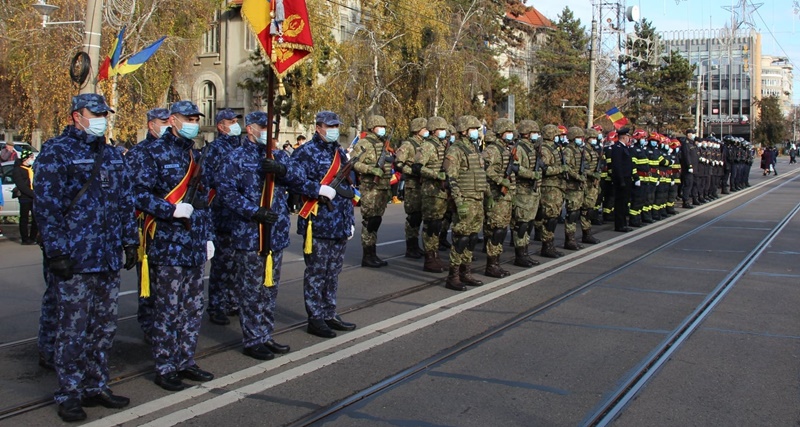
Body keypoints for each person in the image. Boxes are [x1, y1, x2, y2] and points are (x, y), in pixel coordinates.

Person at [33, 93, 138, 422]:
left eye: (105, 114)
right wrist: (56, 252)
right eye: (96, 114)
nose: (102, 119)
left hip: (107, 256)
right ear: (76, 116)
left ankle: (96, 385)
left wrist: (130, 240)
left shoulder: (112, 154)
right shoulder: (57, 151)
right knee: (73, 330)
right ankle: (69, 393)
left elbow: (124, 201)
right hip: (75, 258)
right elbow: (46, 207)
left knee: (103, 328)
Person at [130, 100, 215, 392]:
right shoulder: (152, 152)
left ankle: (186, 360)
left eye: (195, 118)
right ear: (173, 120)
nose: (193, 123)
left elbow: (204, 200)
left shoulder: (195, 154)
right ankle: (165, 366)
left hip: (193, 243)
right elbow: (137, 193)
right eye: (187, 118)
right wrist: (169, 210)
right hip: (167, 244)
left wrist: (208, 236)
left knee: (192, 307)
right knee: (167, 308)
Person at [217, 111, 302, 359]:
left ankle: (265, 334)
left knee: (269, 289)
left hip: (275, 233)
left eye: (270, 126)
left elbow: (299, 178)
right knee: (251, 290)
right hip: (250, 234)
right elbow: (226, 192)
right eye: (262, 126)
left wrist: (281, 170)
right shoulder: (236, 157)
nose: (267, 130)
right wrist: (253, 211)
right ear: (250, 129)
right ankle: (253, 339)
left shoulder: (277, 154)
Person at [291, 111, 357, 338]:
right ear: (318, 127)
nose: (334, 130)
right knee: (316, 272)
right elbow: (293, 180)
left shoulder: (339, 152)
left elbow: (348, 188)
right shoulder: (305, 152)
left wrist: (349, 221)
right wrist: (316, 189)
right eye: (330, 126)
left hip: (339, 223)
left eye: (336, 126)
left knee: (333, 272)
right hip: (318, 222)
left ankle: (329, 313)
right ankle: (315, 317)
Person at [125, 107, 171, 344]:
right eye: (163, 122)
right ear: (151, 125)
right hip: (149, 224)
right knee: (149, 278)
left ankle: (165, 325)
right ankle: (149, 324)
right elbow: (134, 192)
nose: (167, 126)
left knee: (167, 282)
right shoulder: (139, 152)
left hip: (171, 227)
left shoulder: (174, 150)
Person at [205, 108, 244, 326]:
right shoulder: (215, 149)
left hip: (239, 214)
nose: (235, 125)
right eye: (231, 121)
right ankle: (216, 305)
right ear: (221, 126)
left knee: (236, 263)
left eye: (236, 121)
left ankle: (232, 301)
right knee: (222, 264)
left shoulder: (240, 147)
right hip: (222, 213)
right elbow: (209, 181)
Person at [443, 115, 488, 291]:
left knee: (472, 237)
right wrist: (458, 201)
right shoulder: (455, 150)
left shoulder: (475, 149)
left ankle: (465, 272)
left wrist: (488, 195)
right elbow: (451, 179)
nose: (476, 132)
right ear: (464, 131)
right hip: (465, 199)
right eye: (473, 129)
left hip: (477, 199)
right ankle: (453, 276)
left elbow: (481, 175)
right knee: (461, 238)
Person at [352, 115, 394, 268]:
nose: (382, 129)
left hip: (382, 187)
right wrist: (370, 170)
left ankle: (373, 253)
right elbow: (354, 163)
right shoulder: (364, 144)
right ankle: (367, 255)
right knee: (369, 221)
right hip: (370, 187)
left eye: (384, 126)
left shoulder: (383, 144)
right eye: (380, 126)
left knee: (376, 220)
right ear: (372, 127)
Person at [414, 116, 450, 273]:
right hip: (431, 191)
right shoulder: (427, 146)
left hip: (441, 191)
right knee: (431, 225)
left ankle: (435, 256)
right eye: (441, 129)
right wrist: (436, 175)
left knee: (437, 224)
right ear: (434, 130)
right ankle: (429, 259)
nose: (443, 132)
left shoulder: (442, 145)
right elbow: (417, 167)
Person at [482, 119, 517, 277]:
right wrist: (500, 180)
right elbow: (486, 169)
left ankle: (495, 262)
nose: (510, 134)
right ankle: (491, 265)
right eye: (507, 132)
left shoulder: (506, 149)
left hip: (505, 196)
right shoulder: (492, 150)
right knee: (497, 230)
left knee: (501, 229)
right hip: (496, 195)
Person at [509, 119, 542, 268]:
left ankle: (525, 252)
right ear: (527, 133)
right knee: (521, 224)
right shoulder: (519, 148)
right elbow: (515, 167)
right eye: (534, 132)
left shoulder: (532, 147)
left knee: (529, 223)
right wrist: (531, 174)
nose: (536, 135)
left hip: (532, 192)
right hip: (522, 191)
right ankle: (520, 255)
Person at [394, 117, 428, 259]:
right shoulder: (408, 145)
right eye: (424, 129)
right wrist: (413, 171)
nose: (426, 131)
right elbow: (398, 163)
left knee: (420, 216)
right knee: (413, 217)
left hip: (423, 185)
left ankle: (416, 246)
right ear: (417, 130)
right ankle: (411, 247)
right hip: (412, 185)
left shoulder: (425, 144)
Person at [610, 128, 634, 232]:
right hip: (621, 179)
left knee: (624, 203)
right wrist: (621, 180)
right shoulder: (617, 148)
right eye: (628, 136)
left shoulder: (624, 147)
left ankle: (624, 223)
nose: (629, 138)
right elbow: (617, 165)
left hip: (627, 178)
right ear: (624, 137)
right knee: (620, 203)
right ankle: (619, 225)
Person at [12, 148, 37, 244]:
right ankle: (25, 239)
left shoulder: (32, 169)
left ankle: (33, 237)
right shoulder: (18, 170)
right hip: (25, 197)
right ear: (25, 159)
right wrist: (32, 193)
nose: (33, 159)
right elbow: (21, 185)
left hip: (34, 197)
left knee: (36, 218)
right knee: (24, 218)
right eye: (31, 157)